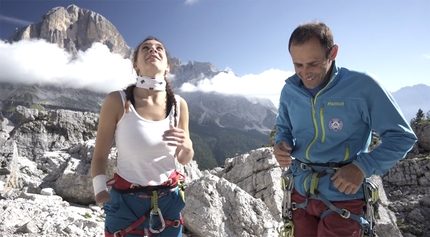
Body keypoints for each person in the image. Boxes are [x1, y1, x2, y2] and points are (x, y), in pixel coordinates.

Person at [274, 22, 417, 237]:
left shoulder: (362, 86)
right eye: (298, 65)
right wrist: (281, 143)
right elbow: (284, 127)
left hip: (344, 195)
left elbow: (402, 137)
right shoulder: (290, 90)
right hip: (300, 194)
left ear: (333, 53)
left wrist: (362, 167)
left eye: (313, 64)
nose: (305, 73)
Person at [91, 36, 194, 237]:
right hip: (126, 203)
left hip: (169, 201)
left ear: (167, 66)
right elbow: (100, 154)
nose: (153, 50)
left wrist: (188, 147)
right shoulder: (117, 100)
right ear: (136, 65)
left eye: (159, 48)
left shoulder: (179, 105)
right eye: (145, 48)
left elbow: (183, 158)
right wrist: (99, 189)